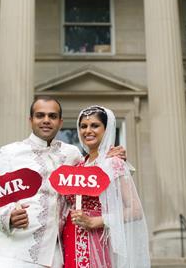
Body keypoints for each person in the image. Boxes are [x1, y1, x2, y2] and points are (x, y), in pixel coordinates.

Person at [0, 97, 126, 268]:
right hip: (13, 254)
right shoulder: (11, 153)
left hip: (56, 256)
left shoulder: (71, 154)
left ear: (60, 122)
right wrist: (8, 216)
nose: (46, 120)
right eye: (40, 115)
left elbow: (93, 168)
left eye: (52, 116)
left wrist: (114, 157)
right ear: (31, 120)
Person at [62, 106, 150, 268]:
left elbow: (135, 210)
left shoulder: (114, 163)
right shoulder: (77, 165)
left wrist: (96, 221)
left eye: (94, 125)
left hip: (97, 238)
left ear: (107, 128)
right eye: (83, 126)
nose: (88, 130)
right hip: (69, 237)